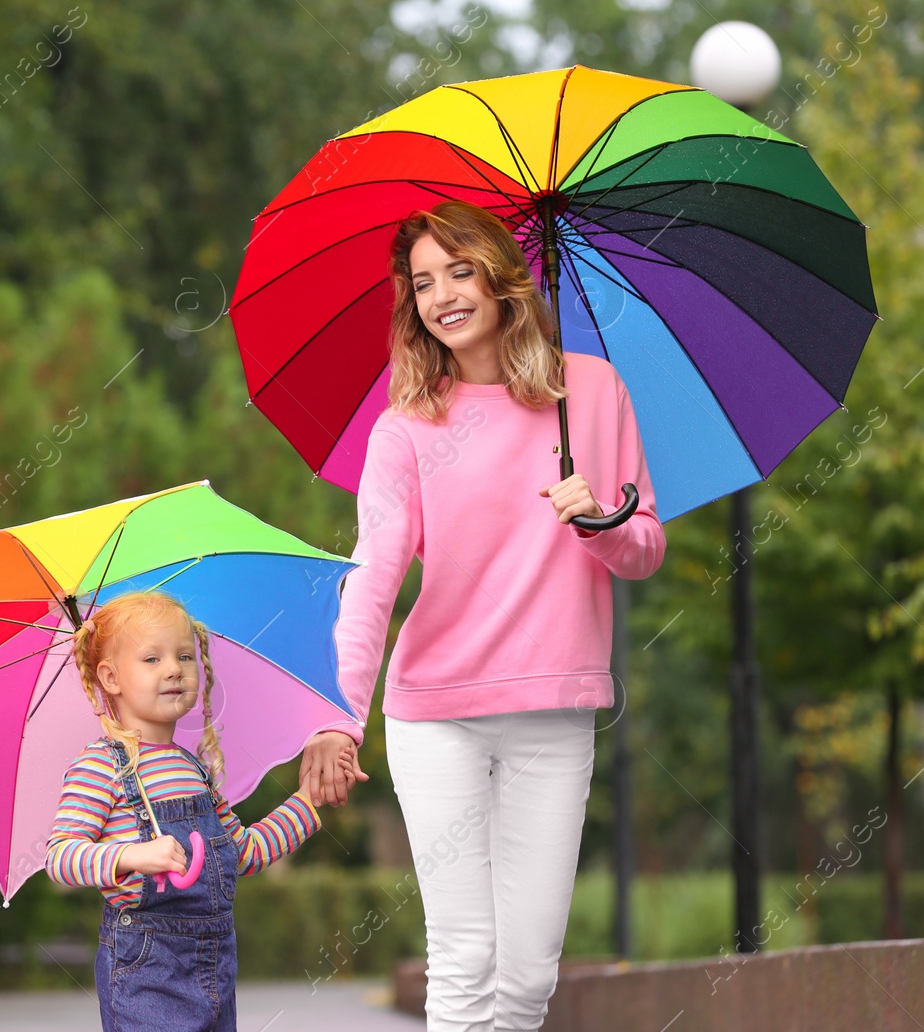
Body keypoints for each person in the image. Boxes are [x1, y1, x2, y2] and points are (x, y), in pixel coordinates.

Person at [297, 199, 667, 1031]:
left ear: (503, 280)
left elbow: (646, 546)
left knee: (530, 974)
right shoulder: (406, 429)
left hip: (555, 707)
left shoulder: (595, 394)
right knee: (464, 959)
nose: (441, 295)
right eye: (423, 282)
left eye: (459, 271)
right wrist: (336, 721)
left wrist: (600, 519)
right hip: (437, 713)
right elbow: (373, 580)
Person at [46, 590, 351, 1032]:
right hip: (146, 968)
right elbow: (61, 856)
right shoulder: (101, 765)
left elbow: (241, 852)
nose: (174, 669)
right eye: (152, 659)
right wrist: (129, 856)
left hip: (213, 965)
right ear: (110, 677)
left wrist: (307, 799)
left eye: (185, 656)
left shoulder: (192, 768)